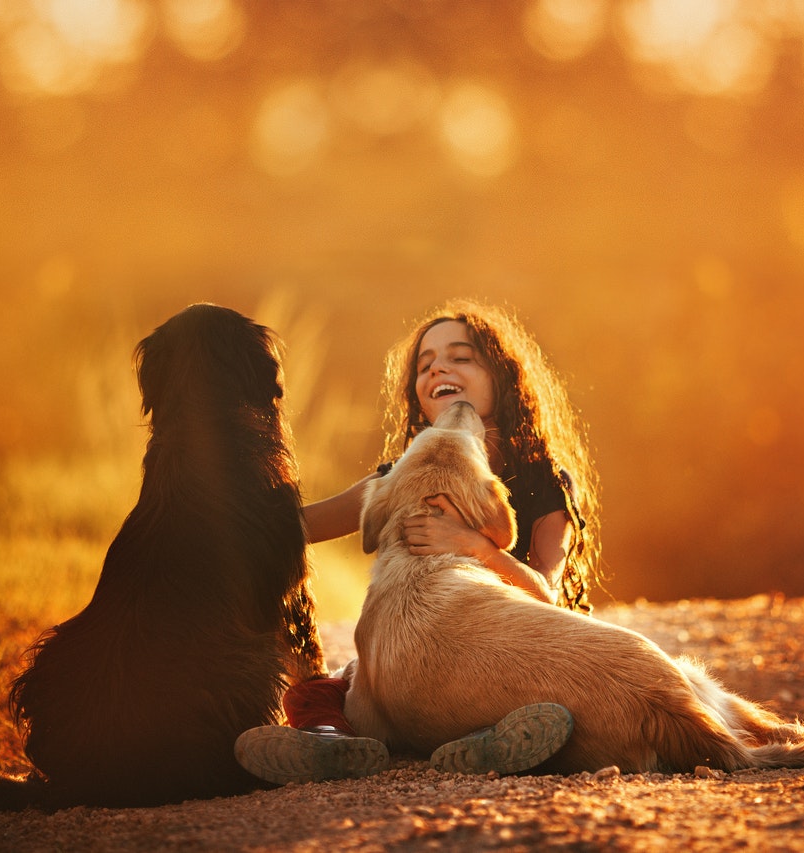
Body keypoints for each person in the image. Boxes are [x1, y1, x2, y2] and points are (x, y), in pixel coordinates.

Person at [235, 299, 602, 784]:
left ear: (502, 378)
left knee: (547, 701)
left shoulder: (544, 483)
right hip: (419, 663)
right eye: (425, 365)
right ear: (418, 398)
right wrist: (222, 491)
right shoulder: (399, 479)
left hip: (506, 656)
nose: (439, 368)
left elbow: (546, 594)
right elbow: (295, 529)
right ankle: (331, 743)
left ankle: (482, 741)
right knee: (321, 691)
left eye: (460, 357)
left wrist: (473, 544)